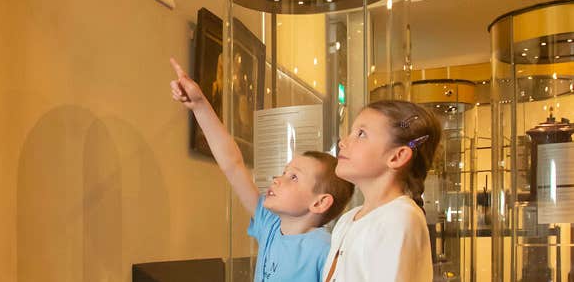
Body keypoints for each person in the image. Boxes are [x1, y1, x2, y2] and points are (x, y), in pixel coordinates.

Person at [169, 58, 354, 282]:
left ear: (319, 202)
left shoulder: (324, 249)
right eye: (284, 172)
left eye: (293, 177)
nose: (278, 179)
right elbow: (232, 164)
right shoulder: (270, 225)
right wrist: (199, 105)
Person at [323, 100, 442, 282]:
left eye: (361, 134)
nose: (343, 142)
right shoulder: (348, 219)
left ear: (397, 156)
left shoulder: (399, 218)